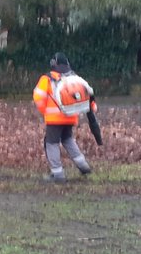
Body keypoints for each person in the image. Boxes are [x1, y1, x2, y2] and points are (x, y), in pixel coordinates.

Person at [32, 52, 96, 183]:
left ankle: (57, 174)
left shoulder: (47, 78)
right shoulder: (74, 77)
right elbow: (87, 94)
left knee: (51, 143)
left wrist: (45, 111)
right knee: (68, 139)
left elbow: (38, 97)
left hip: (54, 119)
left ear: (53, 64)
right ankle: (83, 166)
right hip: (71, 116)